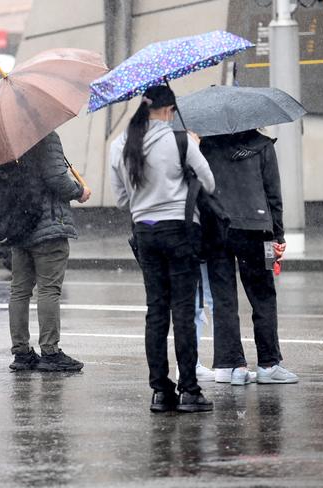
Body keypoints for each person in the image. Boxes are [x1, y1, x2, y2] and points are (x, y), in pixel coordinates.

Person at [109, 85, 215, 413]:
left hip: (145, 232)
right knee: (183, 310)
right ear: (169, 110)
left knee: (156, 311)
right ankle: (189, 390)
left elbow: (122, 200)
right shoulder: (180, 140)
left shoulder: (120, 144)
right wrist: (191, 152)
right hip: (179, 231)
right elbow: (209, 184)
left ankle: (160, 392)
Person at [200, 130, 298, 385]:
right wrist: (278, 235)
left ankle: (229, 365)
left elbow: (199, 188)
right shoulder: (262, 145)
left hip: (217, 228)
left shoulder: (207, 145)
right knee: (263, 296)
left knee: (223, 299)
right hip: (257, 229)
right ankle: (268, 364)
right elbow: (273, 194)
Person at [7, 131, 91, 372]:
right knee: (49, 289)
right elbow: (56, 179)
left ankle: (21, 352)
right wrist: (79, 191)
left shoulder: (10, 139)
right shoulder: (46, 136)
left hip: (19, 225)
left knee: (20, 290)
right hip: (48, 225)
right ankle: (50, 352)